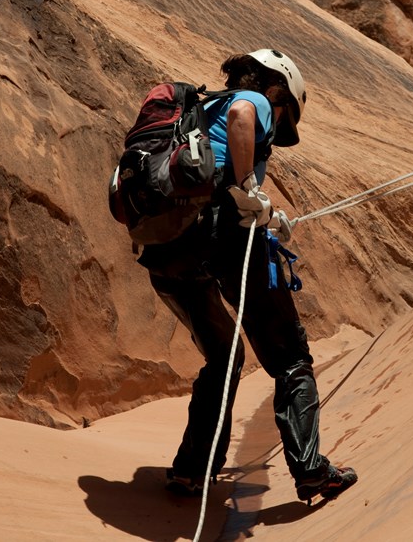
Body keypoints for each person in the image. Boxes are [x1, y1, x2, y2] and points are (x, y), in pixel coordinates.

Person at [137, 48, 357, 504]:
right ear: (275, 88)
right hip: (221, 236)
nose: (277, 124)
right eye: (283, 114)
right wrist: (250, 192)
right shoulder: (250, 98)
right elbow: (242, 114)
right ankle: (312, 470)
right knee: (291, 356)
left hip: (164, 250)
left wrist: (258, 206)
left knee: (224, 356)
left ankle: (191, 470)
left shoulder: (197, 110)